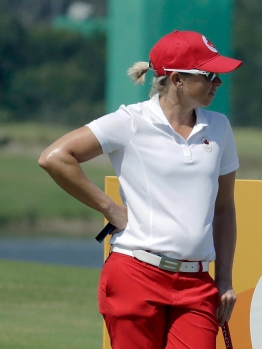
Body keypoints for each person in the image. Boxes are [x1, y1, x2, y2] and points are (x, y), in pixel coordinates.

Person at [38, 30, 242, 348]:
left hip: (197, 283)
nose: (218, 82)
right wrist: (110, 209)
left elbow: (224, 207)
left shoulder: (219, 127)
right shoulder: (131, 121)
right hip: (135, 274)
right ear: (177, 79)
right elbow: (55, 158)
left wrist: (224, 278)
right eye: (210, 75)